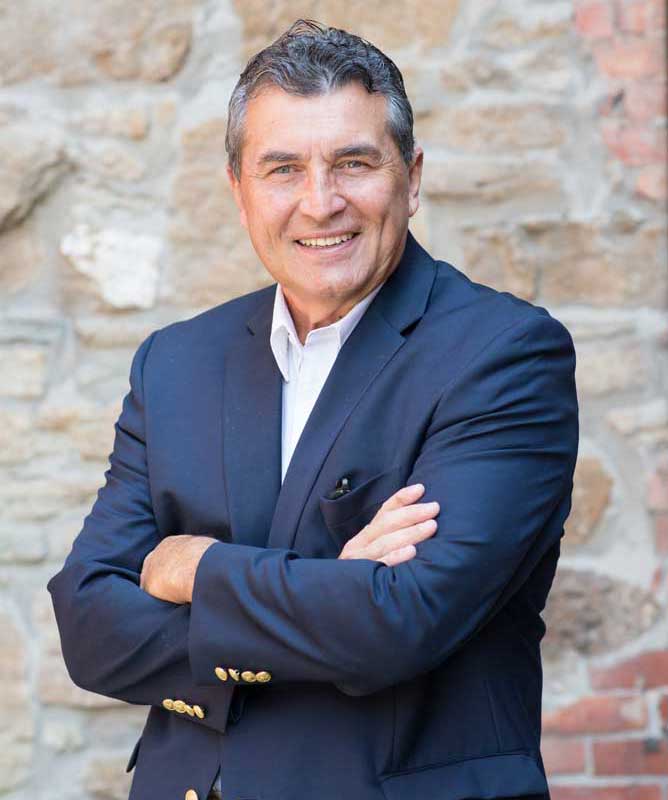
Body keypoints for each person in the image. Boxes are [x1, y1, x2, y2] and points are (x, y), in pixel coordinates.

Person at [47, 19, 579, 800]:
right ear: (239, 191)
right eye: (283, 169)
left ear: (413, 176)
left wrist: (195, 568)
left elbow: (402, 621)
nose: (320, 202)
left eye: (354, 163)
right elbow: (90, 626)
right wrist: (334, 591)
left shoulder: (503, 355)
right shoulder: (176, 363)